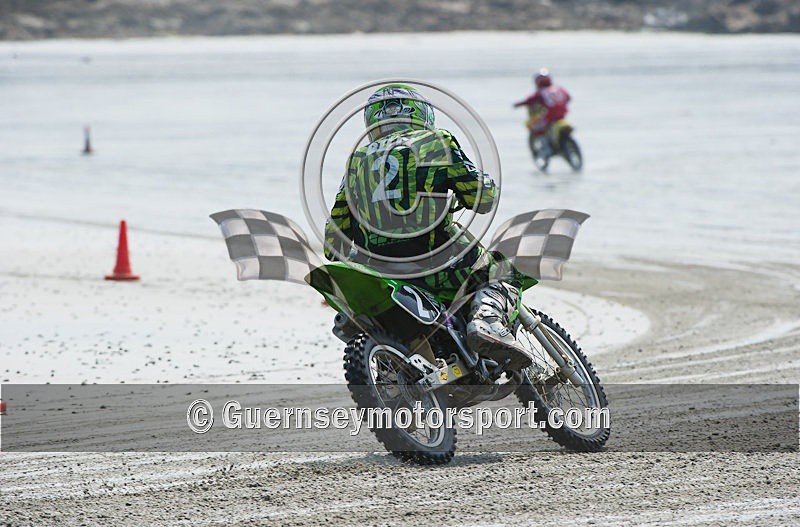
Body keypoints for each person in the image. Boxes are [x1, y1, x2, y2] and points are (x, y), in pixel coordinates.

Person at [324, 83, 530, 369]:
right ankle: (487, 322)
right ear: (422, 115)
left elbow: (333, 238)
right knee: (501, 271)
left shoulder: (356, 162)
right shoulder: (436, 141)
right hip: (437, 260)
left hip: (380, 269)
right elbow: (480, 197)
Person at [514, 68, 571, 157]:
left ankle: (547, 149)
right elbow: (568, 97)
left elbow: (529, 100)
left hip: (550, 115)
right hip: (562, 113)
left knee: (535, 128)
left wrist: (518, 104)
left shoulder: (541, 92)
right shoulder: (560, 88)